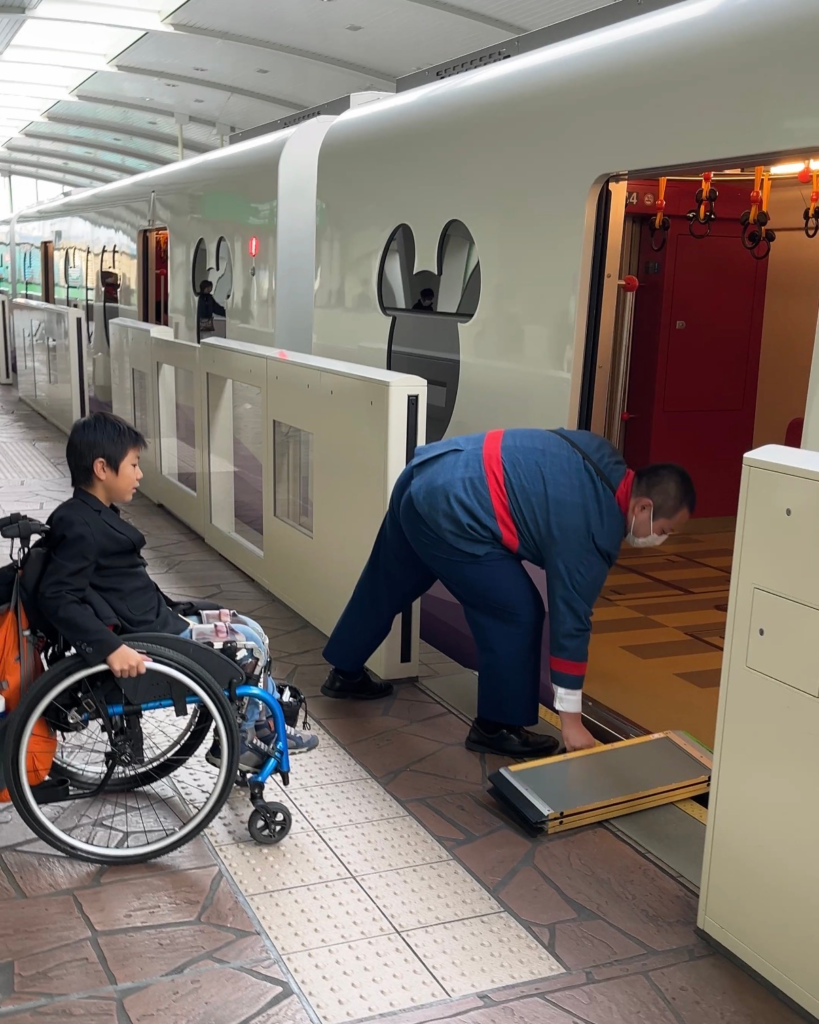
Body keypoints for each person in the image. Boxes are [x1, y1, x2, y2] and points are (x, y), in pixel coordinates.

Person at [320, 428, 695, 756]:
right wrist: (572, 722)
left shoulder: (599, 455)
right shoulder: (592, 530)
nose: (660, 538)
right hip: (453, 508)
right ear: (644, 507)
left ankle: (345, 671)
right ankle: (497, 727)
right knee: (518, 614)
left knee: (389, 579)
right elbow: (571, 622)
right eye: (664, 529)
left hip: (428, 471)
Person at [37, 412, 318, 769]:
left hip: (154, 621)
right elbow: (58, 596)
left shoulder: (87, 514)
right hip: (148, 638)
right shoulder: (81, 526)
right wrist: (111, 649)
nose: (139, 474)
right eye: (134, 465)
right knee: (249, 646)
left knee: (251, 629)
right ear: (102, 468)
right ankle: (244, 740)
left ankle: (261, 730)